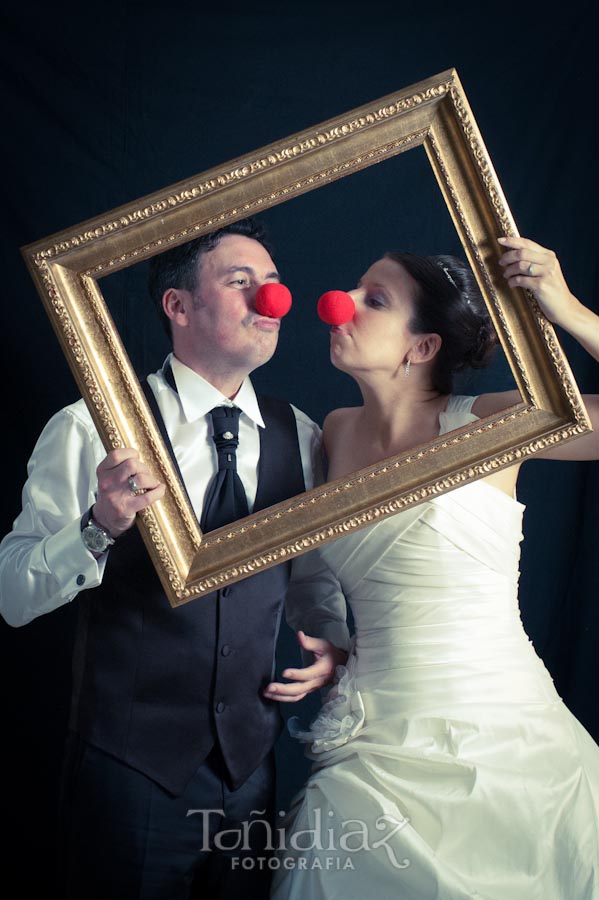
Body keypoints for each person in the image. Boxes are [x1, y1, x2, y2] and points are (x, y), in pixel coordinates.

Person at [0, 217, 348, 900]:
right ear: (178, 305)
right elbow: (12, 595)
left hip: (250, 771)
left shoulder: (299, 433)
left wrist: (330, 639)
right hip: (127, 772)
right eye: (240, 282)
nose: (270, 301)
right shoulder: (90, 428)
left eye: (273, 285)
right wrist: (99, 524)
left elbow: (308, 577)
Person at [268, 236, 599, 899]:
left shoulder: (486, 425)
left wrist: (564, 308)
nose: (343, 304)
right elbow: (323, 571)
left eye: (375, 299)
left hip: (500, 734)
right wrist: (337, 645)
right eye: (354, 288)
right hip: (371, 747)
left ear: (420, 348)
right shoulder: (332, 432)